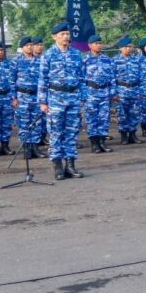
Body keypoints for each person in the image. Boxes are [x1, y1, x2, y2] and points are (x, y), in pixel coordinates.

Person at [38, 21, 85, 180]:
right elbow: (42, 79)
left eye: (67, 34)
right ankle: (58, 167)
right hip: (55, 98)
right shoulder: (48, 55)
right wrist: (42, 102)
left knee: (71, 132)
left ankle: (70, 166)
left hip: (73, 97)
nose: (66, 37)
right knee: (56, 132)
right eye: (62, 35)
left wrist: (82, 97)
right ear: (54, 37)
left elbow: (81, 77)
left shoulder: (76, 54)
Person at [12, 35, 45, 159]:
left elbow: (44, 79)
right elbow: (12, 81)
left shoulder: (40, 61)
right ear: (22, 48)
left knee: (36, 122)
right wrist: (14, 98)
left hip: (36, 96)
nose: (30, 47)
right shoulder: (16, 61)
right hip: (23, 96)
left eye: (31, 45)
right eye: (27, 45)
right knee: (24, 122)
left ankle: (35, 147)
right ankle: (26, 147)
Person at [83, 34, 115, 153]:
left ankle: (102, 142)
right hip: (91, 93)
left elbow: (112, 77)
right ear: (90, 45)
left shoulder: (107, 59)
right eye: (96, 43)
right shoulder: (85, 60)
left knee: (104, 119)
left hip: (104, 92)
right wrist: (84, 94)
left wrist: (112, 92)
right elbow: (81, 79)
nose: (99, 45)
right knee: (92, 119)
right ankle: (94, 144)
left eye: (100, 43)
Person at [112, 36, 143, 144]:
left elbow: (141, 77)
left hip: (134, 89)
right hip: (121, 90)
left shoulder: (136, 60)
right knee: (122, 114)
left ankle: (133, 134)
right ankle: (124, 136)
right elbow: (112, 78)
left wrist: (140, 91)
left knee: (134, 113)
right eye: (125, 47)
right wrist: (114, 93)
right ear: (120, 48)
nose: (128, 49)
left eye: (130, 47)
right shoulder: (115, 60)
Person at [0, 41, 13, 155]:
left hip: (6, 96)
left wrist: (13, 97)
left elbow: (13, 82)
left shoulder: (8, 64)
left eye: (2, 50)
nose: (0, 52)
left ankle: (5, 145)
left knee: (7, 123)